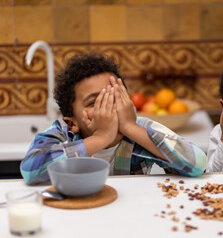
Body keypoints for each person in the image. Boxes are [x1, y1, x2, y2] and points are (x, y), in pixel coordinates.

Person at [20, 53, 208, 185]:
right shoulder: (62, 133)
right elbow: (30, 171)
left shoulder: (138, 129)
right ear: (73, 123)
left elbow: (198, 165)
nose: (109, 105)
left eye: (114, 96)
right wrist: (100, 139)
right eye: (94, 102)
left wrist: (130, 127)